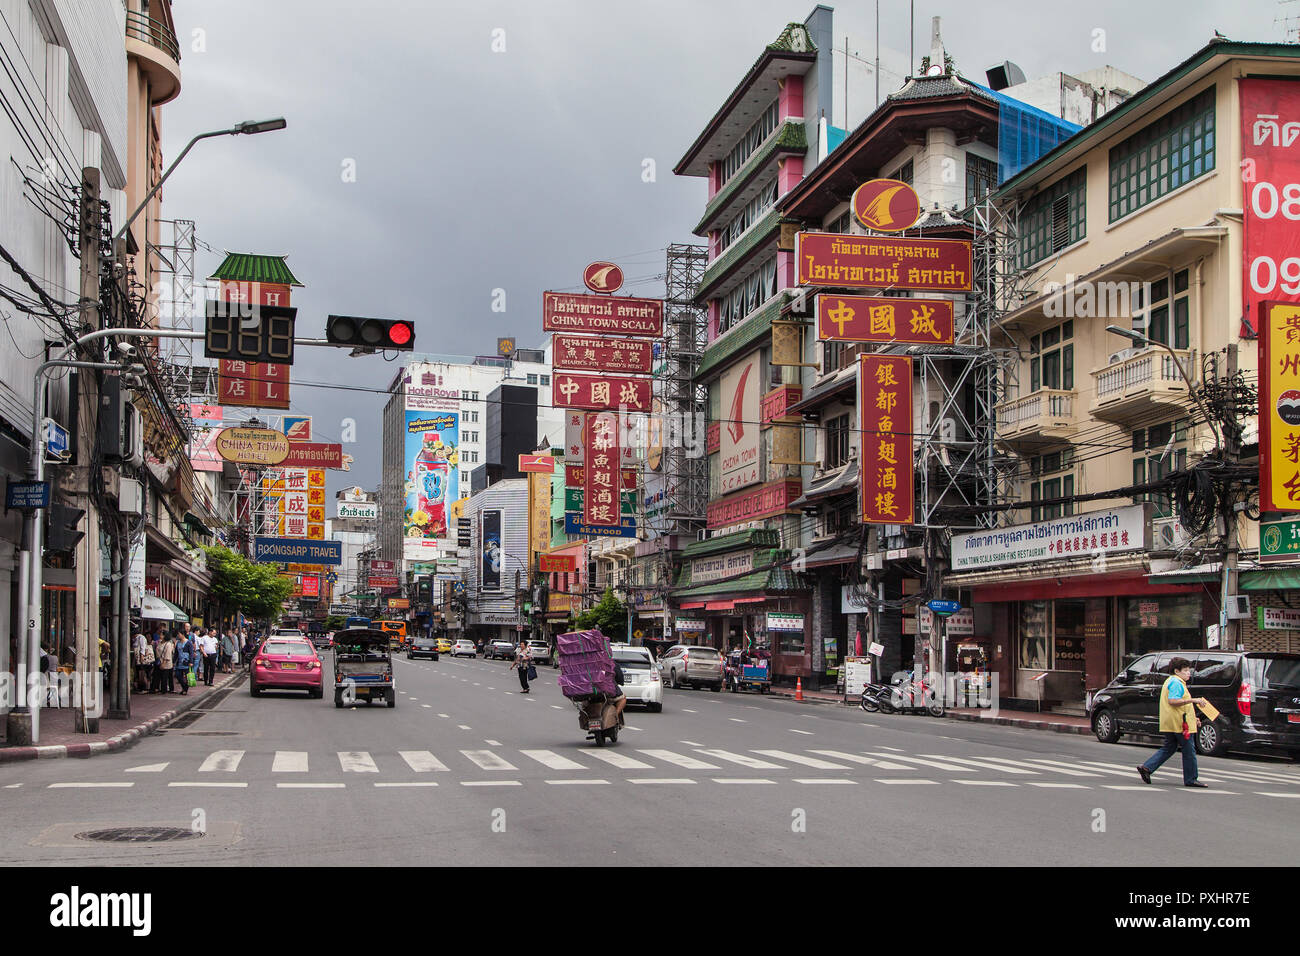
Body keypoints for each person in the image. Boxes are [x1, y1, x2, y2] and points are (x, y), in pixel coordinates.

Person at [1137, 657, 1208, 788]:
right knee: (1189, 750)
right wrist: (1194, 700)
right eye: (1185, 670)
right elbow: (1173, 701)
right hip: (1180, 724)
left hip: (1173, 722)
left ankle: (1147, 767)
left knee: (1169, 747)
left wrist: (1194, 718)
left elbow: (1181, 705)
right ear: (1176, 671)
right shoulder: (1176, 683)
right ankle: (1191, 778)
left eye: (1189, 670)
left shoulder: (1171, 681)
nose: (1188, 673)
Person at [174, 630, 192, 696]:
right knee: (178, 675)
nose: (178, 636)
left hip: (186, 661)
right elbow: (176, 653)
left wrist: (191, 661)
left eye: (179, 634)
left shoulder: (188, 642)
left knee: (187, 677)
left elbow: (191, 653)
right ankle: (184, 687)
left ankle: (185, 689)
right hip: (179, 661)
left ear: (183, 634)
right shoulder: (178, 642)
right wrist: (174, 661)